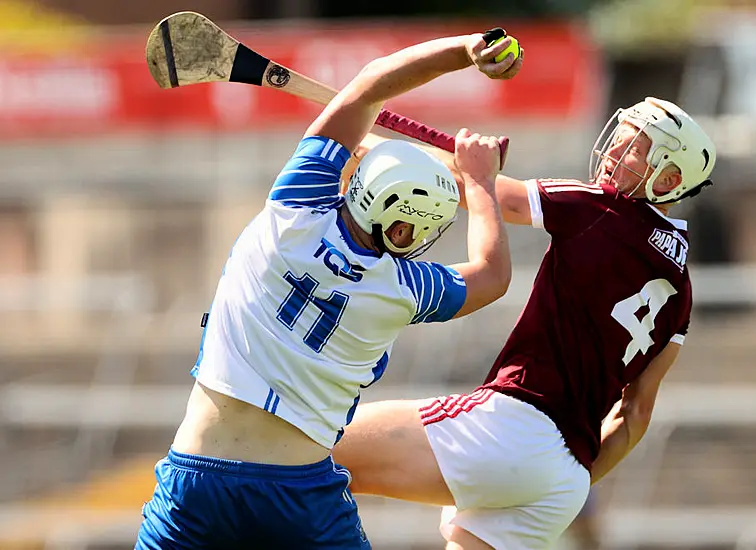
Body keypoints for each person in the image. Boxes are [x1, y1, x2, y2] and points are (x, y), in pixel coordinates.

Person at [135, 31, 523, 549]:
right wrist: (479, 185)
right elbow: (492, 275)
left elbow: (368, 87)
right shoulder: (403, 288)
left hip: (195, 482)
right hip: (300, 500)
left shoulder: (294, 209)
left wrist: (468, 49)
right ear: (409, 231)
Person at [334, 97, 716, 550]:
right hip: (564, 479)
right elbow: (635, 414)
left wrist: (358, 143)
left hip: (514, 427)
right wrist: (560, 480)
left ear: (669, 179)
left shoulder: (603, 209)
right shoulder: (682, 292)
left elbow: (479, 192)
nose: (613, 151)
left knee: (307, 452)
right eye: (618, 138)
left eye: (633, 148)